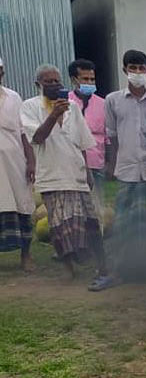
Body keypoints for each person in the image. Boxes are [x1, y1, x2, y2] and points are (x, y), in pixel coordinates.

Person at [21, 64, 115, 290]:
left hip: (77, 173)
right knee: (59, 226)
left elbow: (82, 142)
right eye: (48, 81)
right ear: (38, 85)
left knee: (91, 223)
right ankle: (69, 269)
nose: (54, 85)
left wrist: (88, 171)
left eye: (57, 81)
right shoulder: (30, 107)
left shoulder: (72, 107)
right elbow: (38, 137)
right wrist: (54, 114)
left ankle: (103, 269)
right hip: (52, 176)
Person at [104, 49, 146, 283]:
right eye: (133, 68)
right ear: (125, 70)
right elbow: (112, 136)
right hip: (127, 169)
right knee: (124, 221)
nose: (137, 73)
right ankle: (121, 268)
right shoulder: (113, 101)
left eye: (141, 68)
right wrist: (111, 163)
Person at [0, 56, 37, 271]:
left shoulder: (14, 97)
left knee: (22, 206)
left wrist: (31, 160)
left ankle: (26, 255)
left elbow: (24, 133)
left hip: (15, 161)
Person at [67, 59, 108, 211]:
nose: (90, 82)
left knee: (97, 207)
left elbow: (107, 136)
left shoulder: (102, 104)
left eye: (92, 79)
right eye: (85, 79)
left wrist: (109, 163)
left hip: (96, 164)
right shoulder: (64, 102)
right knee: (74, 209)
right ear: (74, 80)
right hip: (71, 164)